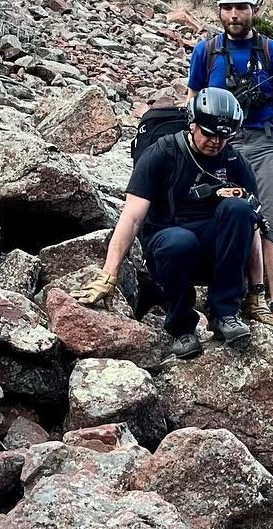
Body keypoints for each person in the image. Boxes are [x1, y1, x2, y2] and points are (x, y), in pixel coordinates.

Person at [77, 88, 260, 358]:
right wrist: (109, 274)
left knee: (240, 210)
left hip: (214, 248)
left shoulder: (233, 161)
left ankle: (225, 315)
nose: (216, 142)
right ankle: (182, 328)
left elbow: (253, 227)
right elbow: (132, 217)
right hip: (168, 243)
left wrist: (258, 293)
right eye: (209, 134)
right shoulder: (162, 153)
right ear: (193, 124)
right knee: (179, 241)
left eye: (224, 136)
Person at [187, 0, 273, 329]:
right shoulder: (206, 52)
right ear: (219, 11)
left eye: (241, 7)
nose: (234, 15)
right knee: (224, 216)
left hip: (264, 142)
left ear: (253, 9)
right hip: (219, 144)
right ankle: (231, 298)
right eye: (227, 8)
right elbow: (192, 100)